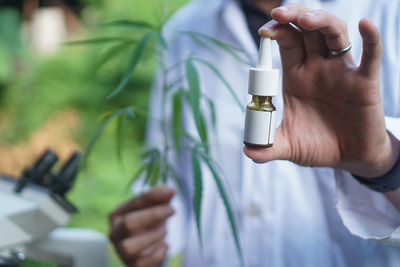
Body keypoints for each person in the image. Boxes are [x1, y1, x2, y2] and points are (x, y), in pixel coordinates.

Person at [109, 0, 400, 266]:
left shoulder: (387, 15)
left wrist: (382, 164)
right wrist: (149, 239)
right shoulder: (183, 30)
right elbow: (171, 178)